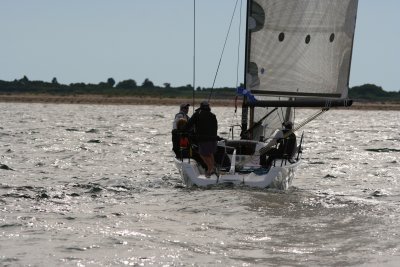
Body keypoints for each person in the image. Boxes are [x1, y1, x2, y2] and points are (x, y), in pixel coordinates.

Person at [185, 101, 218, 177]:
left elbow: (189, 124)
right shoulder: (213, 115)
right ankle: (212, 169)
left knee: (202, 154)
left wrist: (183, 130)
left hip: (203, 139)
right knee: (210, 153)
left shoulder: (197, 114)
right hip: (213, 138)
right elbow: (216, 127)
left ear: (201, 107)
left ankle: (210, 169)